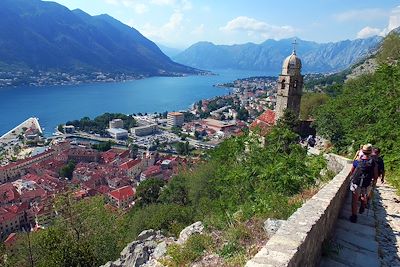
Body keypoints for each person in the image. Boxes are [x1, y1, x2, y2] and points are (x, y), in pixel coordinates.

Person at [349, 144, 378, 223]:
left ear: (363, 151)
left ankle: (354, 217)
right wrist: (373, 183)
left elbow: (352, 172)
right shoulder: (373, 163)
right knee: (364, 195)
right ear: (371, 152)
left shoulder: (357, 161)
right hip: (366, 184)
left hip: (356, 183)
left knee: (354, 200)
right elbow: (375, 176)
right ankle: (363, 205)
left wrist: (351, 178)